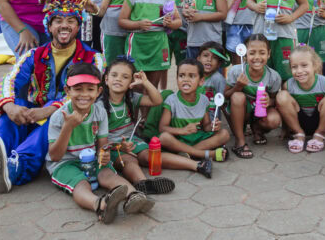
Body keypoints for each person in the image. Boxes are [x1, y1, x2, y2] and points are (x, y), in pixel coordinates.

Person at [0, 0, 105, 194]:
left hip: (66, 117)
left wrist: (49, 110)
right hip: (34, 113)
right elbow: (10, 80)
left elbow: (85, 96)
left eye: (71, 21)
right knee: (14, 109)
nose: (64, 26)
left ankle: (14, 168)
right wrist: (10, 107)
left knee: (56, 119)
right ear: (49, 26)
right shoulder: (34, 54)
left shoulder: (93, 58)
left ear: (78, 26)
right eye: (58, 20)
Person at [46, 63, 154, 222]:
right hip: (65, 163)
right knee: (81, 184)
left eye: (90, 89)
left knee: (107, 173)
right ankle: (100, 204)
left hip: (91, 159)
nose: (84, 95)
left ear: (98, 91)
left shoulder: (100, 112)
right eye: (78, 89)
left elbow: (103, 144)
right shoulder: (59, 116)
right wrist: (68, 127)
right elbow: (55, 156)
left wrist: (104, 154)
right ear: (68, 91)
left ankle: (134, 196)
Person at [99, 57, 203, 191]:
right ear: (106, 79)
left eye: (125, 77)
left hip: (131, 141)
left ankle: (197, 165)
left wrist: (145, 82)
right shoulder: (99, 106)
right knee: (130, 160)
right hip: (110, 147)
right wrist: (120, 146)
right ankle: (143, 183)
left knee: (151, 156)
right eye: (114, 75)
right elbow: (98, 141)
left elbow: (157, 100)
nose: (118, 79)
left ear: (131, 82)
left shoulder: (131, 97)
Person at [118, 0, 182, 88]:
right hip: (137, 44)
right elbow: (122, 21)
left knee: (152, 87)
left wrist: (170, 23)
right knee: (136, 87)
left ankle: (151, 102)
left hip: (158, 45)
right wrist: (138, 24)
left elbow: (178, 22)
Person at [159, 58, 230, 165]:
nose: (185, 80)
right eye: (181, 75)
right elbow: (162, 128)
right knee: (164, 138)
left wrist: (212, 126)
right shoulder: (171, 100)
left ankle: (187, 154)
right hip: (178, 140)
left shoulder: (204, 100)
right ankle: (205, 154)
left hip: (197, 139)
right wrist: (182, 130)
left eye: (191, 76)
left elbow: (206, 126)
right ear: (177, 78)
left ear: (201, 81)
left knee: (224, 134)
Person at [225, 34, 282, 158]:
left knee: (274, 119)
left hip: (259, 113)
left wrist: (269, 101)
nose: (257, 57)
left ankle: (257, 129)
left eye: (262, 53)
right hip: (241, 112)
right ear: (245, 54)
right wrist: (237, 87)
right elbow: (225, 96)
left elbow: (274, 99)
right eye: (252, 53)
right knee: (237, 96)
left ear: (268, 54)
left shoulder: (273, 76)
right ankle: (240, 141)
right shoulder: (236, 71)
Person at [276, 45, 325, 153]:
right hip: (298, 123)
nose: (299, 71)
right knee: (281, 96)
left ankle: (319, 135)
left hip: (321, 122)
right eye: (294, 67)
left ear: (315, 65)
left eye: (304, 65)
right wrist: (285, 129)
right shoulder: (288, 85)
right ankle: (298, 135)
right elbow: (284, 108)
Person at [226, 0, 256, 64]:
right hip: (233, 25)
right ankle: (237, 71)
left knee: (251, 52)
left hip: (250, 25)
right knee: (235, 53)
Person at [165, 0, 189, 69]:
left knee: (183, 64)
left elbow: (192, 9)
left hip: (182, 33)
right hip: (164, 33)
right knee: (163, 64)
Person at [197, 41, 230, 115]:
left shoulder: (218, 79)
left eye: (214, 57)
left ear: (219, 63)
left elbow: (223, 105)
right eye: (206, 55)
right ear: (198, 58)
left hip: (211, 120)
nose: (209, 60)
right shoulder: (193, 76)